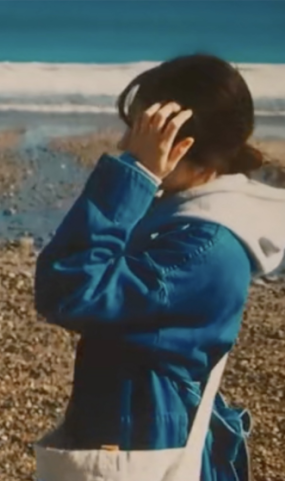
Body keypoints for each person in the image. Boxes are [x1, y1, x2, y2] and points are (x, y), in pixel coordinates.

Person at [32, 53, 276, 480]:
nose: (126, 143)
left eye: (142, 131)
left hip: (142, 442)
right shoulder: (182, 216)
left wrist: (137, 173)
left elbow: (67, 288)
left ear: (180, 142)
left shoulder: (203, 246)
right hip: (133, 427)